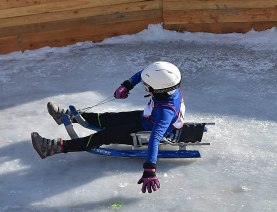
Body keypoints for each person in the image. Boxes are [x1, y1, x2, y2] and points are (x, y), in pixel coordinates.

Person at [31, 61, 185, 194]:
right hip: (147, 117)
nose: (146, 87)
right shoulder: (167, 87)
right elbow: (143, 74)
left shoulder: (165, 112)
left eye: (147, 87)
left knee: (105, 135)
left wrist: (150, 169)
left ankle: (54, 148)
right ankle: (67, 116)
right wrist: (127, 86)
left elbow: (155, 138)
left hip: (146, 131)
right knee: (108, 118)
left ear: (158, 90)